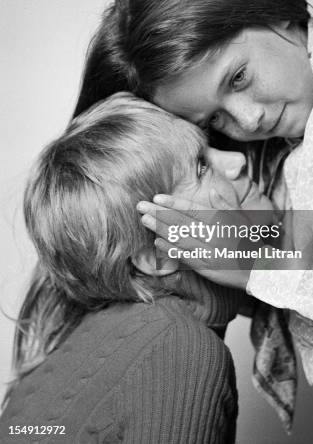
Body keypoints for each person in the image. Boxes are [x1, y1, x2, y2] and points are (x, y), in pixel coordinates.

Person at [70, 0, 313, 443]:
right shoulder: (311, 134)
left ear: (268, 9)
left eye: (238, 78)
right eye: (214, 120)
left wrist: (253, 265)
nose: (247, 120)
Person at [0, 92, 278, 443]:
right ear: (157, 258)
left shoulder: (95, 339)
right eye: (201, 167)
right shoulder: (179, 349)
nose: (237, 160)